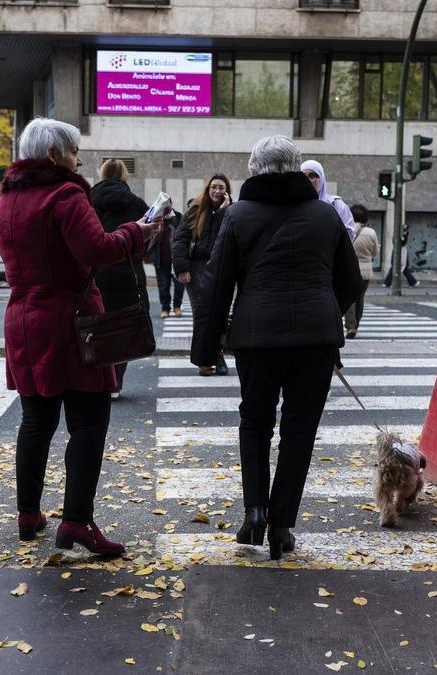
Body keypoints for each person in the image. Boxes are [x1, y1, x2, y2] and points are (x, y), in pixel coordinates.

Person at [0, 117, 161, 556]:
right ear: (54, 156)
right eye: (73, 151)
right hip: (69, 321)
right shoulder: (65, 195)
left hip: (23, 319)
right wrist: (136, 233)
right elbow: (98, 250)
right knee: (88, 423)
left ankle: (28, 513)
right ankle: (76, 522)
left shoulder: (9, 198)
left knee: (36, 421)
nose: (79, 158)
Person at [191, 135, 360, 561]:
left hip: (256, 338)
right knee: (299, 432)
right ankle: (282, 526)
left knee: (255, 422)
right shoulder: (326, 217)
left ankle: (255, 510)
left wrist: (206, 349)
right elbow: (351, 282)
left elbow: (216, 286)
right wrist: (325, 310)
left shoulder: (237, 216)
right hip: (316, 340)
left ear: (253, 168)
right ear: (295, 165)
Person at [90, 158, 152, 400]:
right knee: (124, 328)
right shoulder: (136, 204)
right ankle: (116, 381)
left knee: (99, 327)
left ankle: (100, 378)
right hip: (127, 272)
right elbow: (147, 235)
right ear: (125, 176)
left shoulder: (88, 200)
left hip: (97, 273)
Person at [172, 174, 231, 376]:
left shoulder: (230, 212)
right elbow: (180, 239)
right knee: (202, 314)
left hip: (221, 268)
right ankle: (205, 360)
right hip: (196, 269)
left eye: (221, 188)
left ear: (227, 191)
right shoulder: (195, 210)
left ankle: (218, 354)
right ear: (208, 189)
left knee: (220, 313)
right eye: (214, 187)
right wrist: (182, 268)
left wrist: (224, 212)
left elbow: (225, 239)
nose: (217, 191)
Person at [344, 204, 379, 339]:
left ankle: (350, 326)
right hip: (365, 271)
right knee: (360, 298)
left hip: (349, 269)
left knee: (349, 299)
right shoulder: (371, 233)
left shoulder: (347, 230)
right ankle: (356, 325)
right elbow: (375, 252)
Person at [300, 159, 356, 241]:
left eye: (312, 176)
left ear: (321, 178)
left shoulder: (336, 205)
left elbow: (349, 233)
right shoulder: (295, 204)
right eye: (304, 176)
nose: (307, 180)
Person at [150, 208, 185, 318]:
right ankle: (165, 309)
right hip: (161, 261)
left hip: (176, 261)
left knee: (179, 286)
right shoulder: (155, 219)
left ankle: (177, 307)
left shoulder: (177, 218)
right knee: (163, 286)